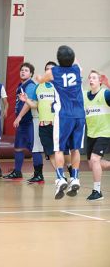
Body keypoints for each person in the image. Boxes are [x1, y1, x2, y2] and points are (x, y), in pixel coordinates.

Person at [36, 45, 85, 199]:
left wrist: (38, 77)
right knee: (75, 149)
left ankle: (60, 178)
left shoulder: (53, 72)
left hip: (63, 115)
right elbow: (76, 61)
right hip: (79, 115)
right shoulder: (77, 69)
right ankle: (75, 177)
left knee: (58, 149)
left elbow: (40, 80)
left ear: (58, 60)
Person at [20, 61, 72, 182]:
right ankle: (61, 176)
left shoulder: (62, 86)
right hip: (44, 125)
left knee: (64, 151)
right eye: (47, 69)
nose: (49, 71)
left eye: (52, 69)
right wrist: (26, 100)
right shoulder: (39, 87)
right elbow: (35, 105)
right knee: (50, 153)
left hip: (59, 124)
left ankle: (71, 171)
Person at [3, 62, 44, 181]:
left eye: (26, 70)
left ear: (31, 74)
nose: (23, 72)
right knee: (18, 147)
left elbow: (28, 103)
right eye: (22, 70)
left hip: (29, 121)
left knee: (35, 148)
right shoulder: (20, 85)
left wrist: (19, 117)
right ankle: (17, 171)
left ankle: (38, 174)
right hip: (23, 123)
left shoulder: (30, 85)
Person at [84, 70, 110, 201]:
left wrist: (108, 83)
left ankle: (97, 191)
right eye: (90, 78)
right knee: (93, 164)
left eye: (94, 77)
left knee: (95, 160)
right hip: (91, 134)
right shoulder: (84, 96)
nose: (91, 79)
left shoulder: (105, 93)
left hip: (104, 133)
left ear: (100, 81)